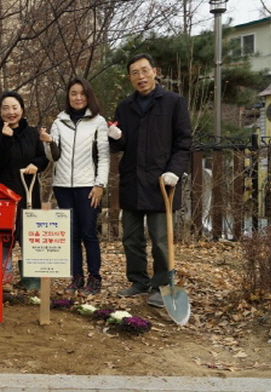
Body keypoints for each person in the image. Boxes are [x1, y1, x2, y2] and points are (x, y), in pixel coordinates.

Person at [109, 53, 192, 308]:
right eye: (135, 73)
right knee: (131, 238)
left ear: (154, 71)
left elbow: (184, 142)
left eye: (144, 71)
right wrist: (115, 136)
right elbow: (121, 146)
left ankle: (161, 285)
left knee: (160, 240)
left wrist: (174, 171)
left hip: (161, 182)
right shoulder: (125, 107)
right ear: (130, 78)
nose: (140, 77)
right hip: (133, 181)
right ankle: (138, 281)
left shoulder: (173, 102)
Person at [41, 77, 110, 296]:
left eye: (82, 93)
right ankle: (76, 277)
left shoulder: (98, 122)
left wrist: (100, 184)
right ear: (68, 96)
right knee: (71, 235)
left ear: (88, 96)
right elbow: (54, 157)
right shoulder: (59, 121)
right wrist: (48, 142)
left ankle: (94, 277)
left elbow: (104, 157)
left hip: (88, 186)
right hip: (63, 186)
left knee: (89, 232)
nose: (78, 97)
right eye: (73, 93)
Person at [0, 91, 49, 291]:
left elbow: (43, 158)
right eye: (5, 108)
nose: (11, 112)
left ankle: (31, 279)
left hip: (29, 190)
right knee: (4, 235)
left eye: (15, 107)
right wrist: (6, 139)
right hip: (4, 191)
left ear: (22, 109)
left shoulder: (32, 133)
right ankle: (5, 277)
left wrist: (35, 165)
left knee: (29, 233)